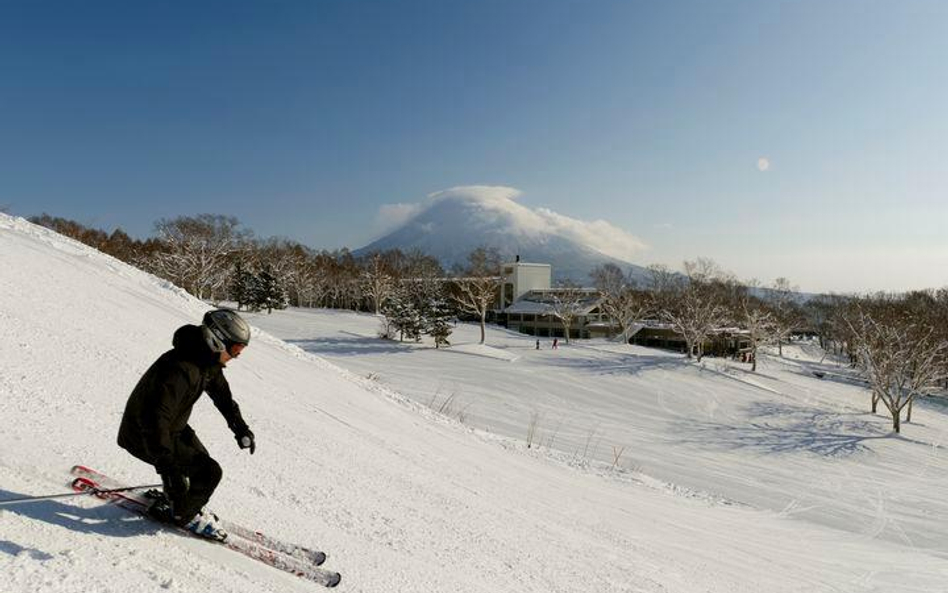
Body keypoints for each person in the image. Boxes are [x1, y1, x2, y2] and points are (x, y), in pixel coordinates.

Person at [117, 308, 256, 540]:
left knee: (201, 464)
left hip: (172, 428)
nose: (236, 356)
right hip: (143, 433)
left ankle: (179, 502)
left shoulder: (205, 361)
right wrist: (168, 468)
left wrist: (240, 427)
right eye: (235, 349)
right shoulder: (180, 369)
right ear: (217, 340)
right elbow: (154, 418)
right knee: (209, 473)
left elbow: (222, 395)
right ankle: (182, 514)